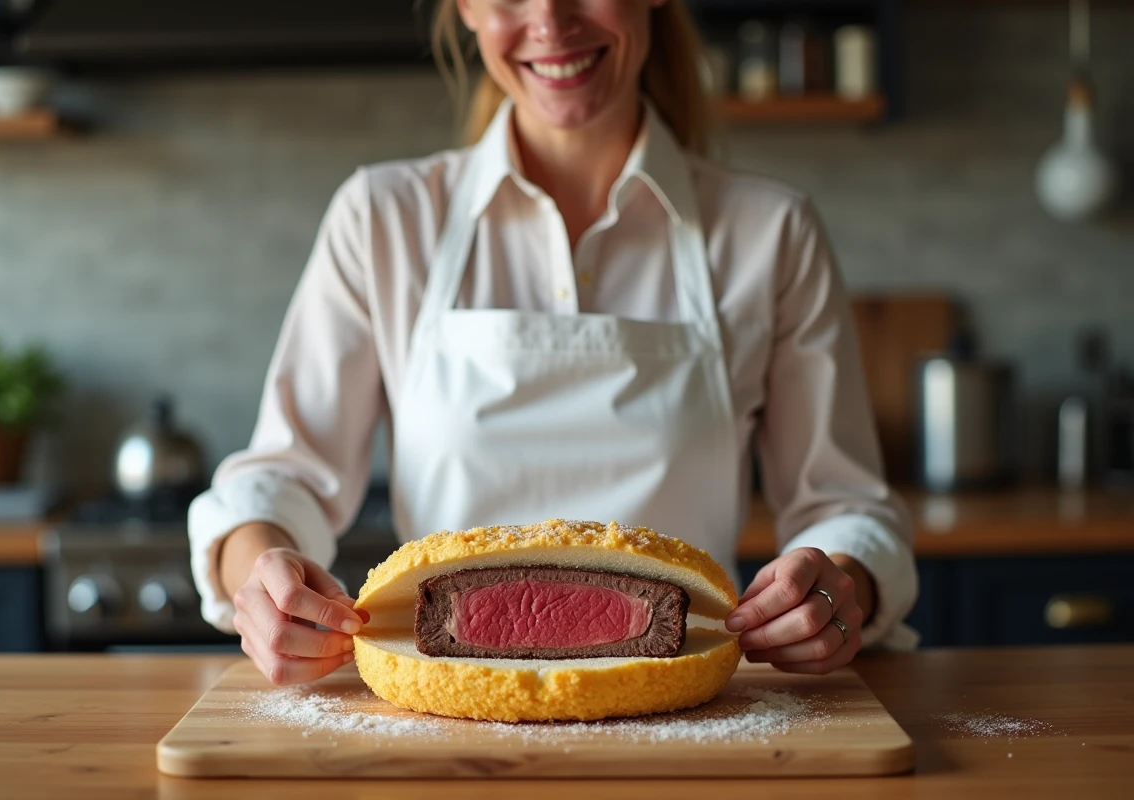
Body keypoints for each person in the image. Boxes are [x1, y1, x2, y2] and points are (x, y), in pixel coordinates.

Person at [188, 0, 918, 687]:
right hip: (445, 719)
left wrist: (837, 582)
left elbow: (842, 502)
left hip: (686, 710)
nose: (550, 21)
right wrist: (260, 572)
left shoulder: (771, 232)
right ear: (466, 9)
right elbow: (285, 478)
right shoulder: (382, 219)